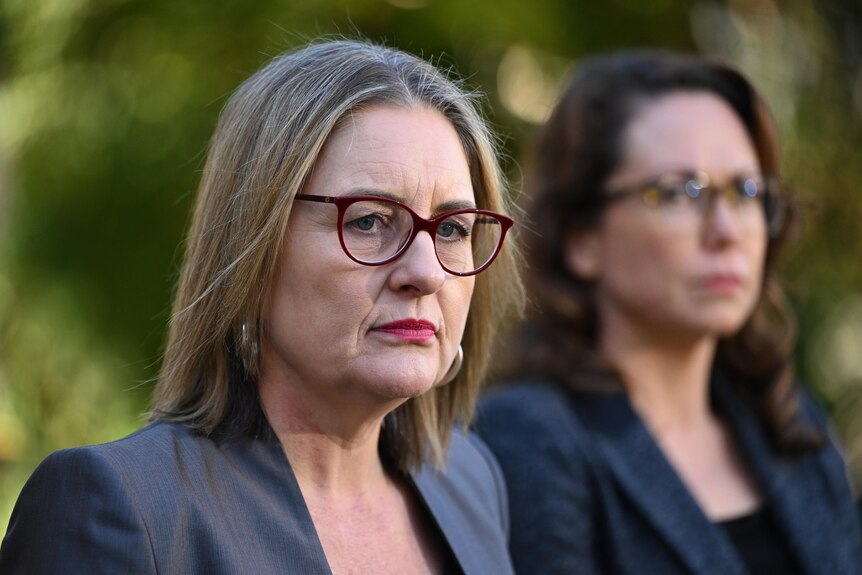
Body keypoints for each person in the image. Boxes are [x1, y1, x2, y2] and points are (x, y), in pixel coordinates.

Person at [0, 39, 523, 574]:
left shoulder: (469, 482)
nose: (428, 272)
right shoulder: (122, 508)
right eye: (369, 221)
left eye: (453, 228)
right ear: (254, 246)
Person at [477, 51, 862, 574]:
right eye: (682, 192)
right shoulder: (530, 438)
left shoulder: (790, 423)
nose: (727, 230)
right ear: (581, 238)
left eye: (746, 191)